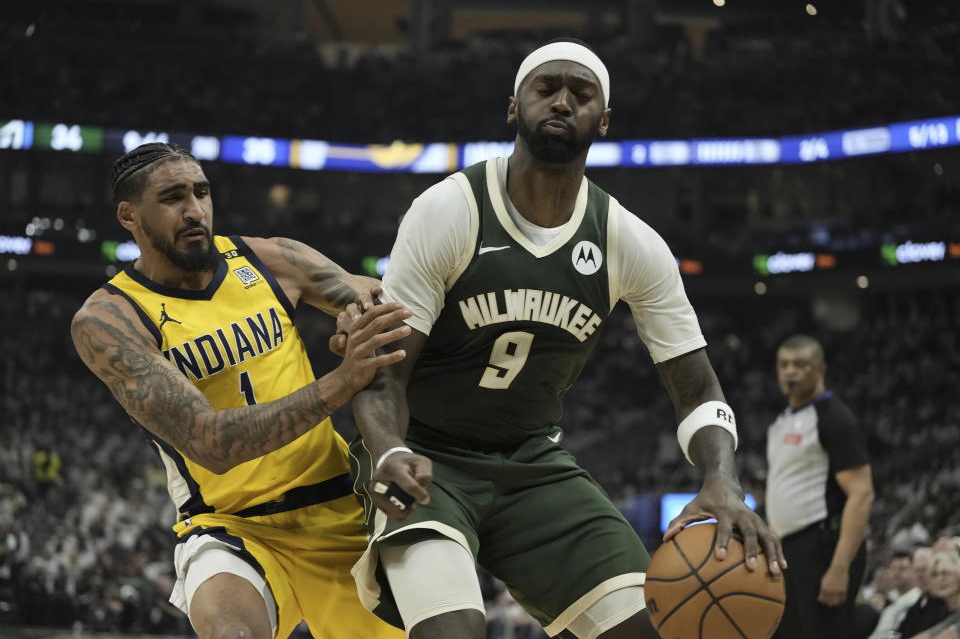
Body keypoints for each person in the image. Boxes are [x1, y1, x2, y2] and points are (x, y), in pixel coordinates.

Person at [335, 38, 786, 639]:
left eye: (581, 93)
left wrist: (722, 479)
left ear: (603, 119)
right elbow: (383, 369)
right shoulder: (449, 209)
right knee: (454, 631)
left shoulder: (630, 241)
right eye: (546, 88)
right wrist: (388, 450)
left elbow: (697, 386)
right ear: (513, 106)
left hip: (532, 463)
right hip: (424, 456)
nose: (562, 101)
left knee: (643, 629)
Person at [71, 142, 409, 639]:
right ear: (129, 215)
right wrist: (342, 379)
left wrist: (358, 322)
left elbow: (381, 304)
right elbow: (212, 444)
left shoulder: (271, 258)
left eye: (201, 192)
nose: (194, 210)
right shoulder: (110, 319)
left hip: (337, 508)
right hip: (231, 526)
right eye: (172, 198)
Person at [766, 334, 875, 639]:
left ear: (821, 370)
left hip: (823, 548)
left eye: (800, 365)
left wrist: (840, 567)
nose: (790, 371)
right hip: (790, 550)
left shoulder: (835, 419)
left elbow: (862, 494)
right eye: (784, 364)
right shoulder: (781, 421)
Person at [870, 547, 932, 639]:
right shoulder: (889, 600)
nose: (896, 573)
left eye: (902, 569)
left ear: (913, 571)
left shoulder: (918, 601)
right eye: (893, 568)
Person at [909, 550, 960, 639]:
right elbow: (932, 632)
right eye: (934, 575)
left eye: (945, 573)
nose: (940, 579)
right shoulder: (948, 612)